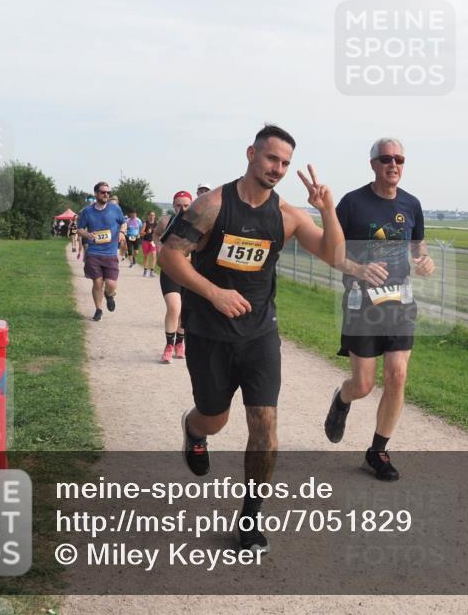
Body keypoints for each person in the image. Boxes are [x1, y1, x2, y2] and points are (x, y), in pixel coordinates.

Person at [159, 124, 343, 555]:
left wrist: (328, 210)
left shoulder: (288, 215)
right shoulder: (211, 205)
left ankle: (250, 517)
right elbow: (170, 255)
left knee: (265, 424)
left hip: (259, 334)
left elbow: (334, 255)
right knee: (214, 417)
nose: (277, 168)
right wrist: (214, 293)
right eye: (271, 158)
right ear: (251, 154)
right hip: (209, 332)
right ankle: (194, 429)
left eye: (285, 163)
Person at [323, 137, 435, 481]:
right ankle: (343, 398)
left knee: (397, 375)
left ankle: (378, 451)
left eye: (399, 159)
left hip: (400, 302)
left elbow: (417, 245)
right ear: (373, 164)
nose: (393, 164)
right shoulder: (352, 203)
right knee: (363, 384)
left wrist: (424, 260)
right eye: (386, 159)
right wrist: (358, 269)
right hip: (362, 303)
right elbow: (330, 251)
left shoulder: (411, 204)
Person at [76, 181, 127, 322]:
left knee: (111, 284)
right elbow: (79, 229)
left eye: (108, 192)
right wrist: (87, 235)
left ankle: (109, 295)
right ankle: (98, 309)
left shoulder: (115, 209)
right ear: (96, 193)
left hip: (110, 253)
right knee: (97, 282)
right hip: (94, 252)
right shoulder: (87, 211)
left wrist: (122, 232)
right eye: (103, 192)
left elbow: (123, 222)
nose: (106, 195)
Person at [153, 191, 193, 363]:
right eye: (178, 205)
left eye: (186, 205)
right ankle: (169, 345)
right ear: (173, 205)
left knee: (185, 310)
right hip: (170, 271)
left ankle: (179, 343)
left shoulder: (199, 223)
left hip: (190, 273)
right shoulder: (165, 221)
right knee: (174, 307)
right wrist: (159, 247)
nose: (182, 209)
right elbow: (156, 234)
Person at [140, 210, 158, 277]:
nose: (152, 216)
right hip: (146, 241)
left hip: (153, 242)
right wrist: (146, 232)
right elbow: (141, 233)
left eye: (153, 215)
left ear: (155, 216)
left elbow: (158, 233)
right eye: (151, 215)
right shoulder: (145, 223)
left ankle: (151, 271)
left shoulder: (156, 224)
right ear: (148, 216)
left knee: (154, 255)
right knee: (146, 256)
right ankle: (145, 270)